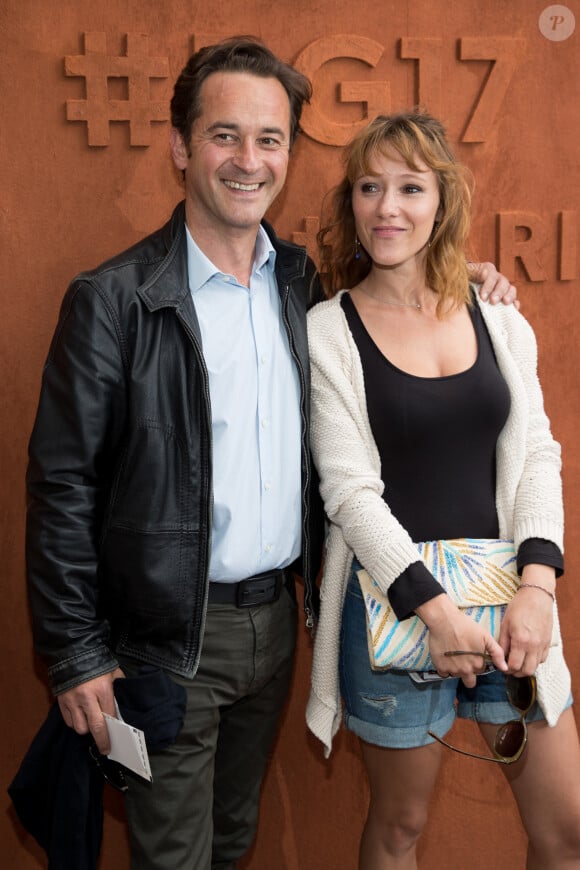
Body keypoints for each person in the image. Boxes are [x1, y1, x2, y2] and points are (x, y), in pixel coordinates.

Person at [25, 34, 517, 869]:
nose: (248, 160)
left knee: (230, 843)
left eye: (270, 139)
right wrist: (76, 655)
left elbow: (391, 291)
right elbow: (62, 488)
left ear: (289, 151)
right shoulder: (113, 302)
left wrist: (462, 278)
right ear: (182, 146)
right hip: (165, 638)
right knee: (175, 854)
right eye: (224, 135)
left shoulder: (303, 286)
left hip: (278, 629)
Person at [305, 110, 580, 869]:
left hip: (510, 609)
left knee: (566, 832)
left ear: (442, 200)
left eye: (409, 187)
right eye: (369, 187)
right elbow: (350, 493)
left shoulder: (499, 319)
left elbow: (536, 457)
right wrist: (435, 611)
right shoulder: (329, 330)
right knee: (399, 828)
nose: (388, 207)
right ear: (352, 206)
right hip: (397, 615)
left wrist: (538, 587)